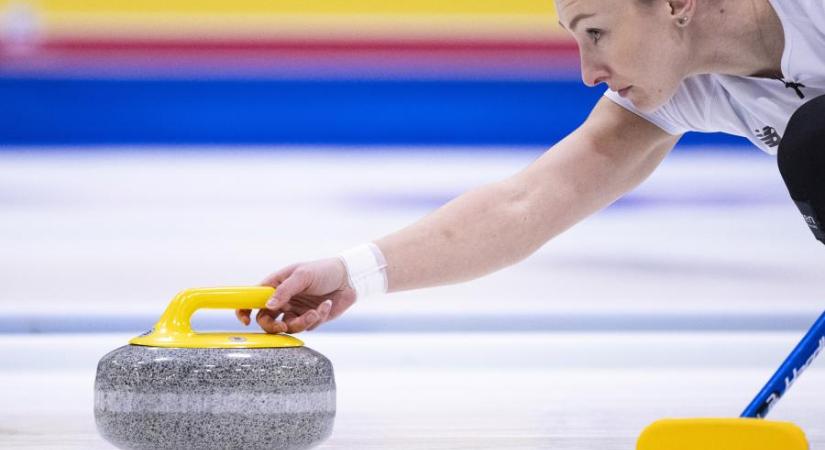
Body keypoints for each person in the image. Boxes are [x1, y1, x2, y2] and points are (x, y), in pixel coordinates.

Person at [236, 0, 825, 334]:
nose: (589, 71)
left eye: (597, 33)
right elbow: (526, 204)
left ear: (675, 4)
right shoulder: (685, 85)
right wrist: (350, 272)